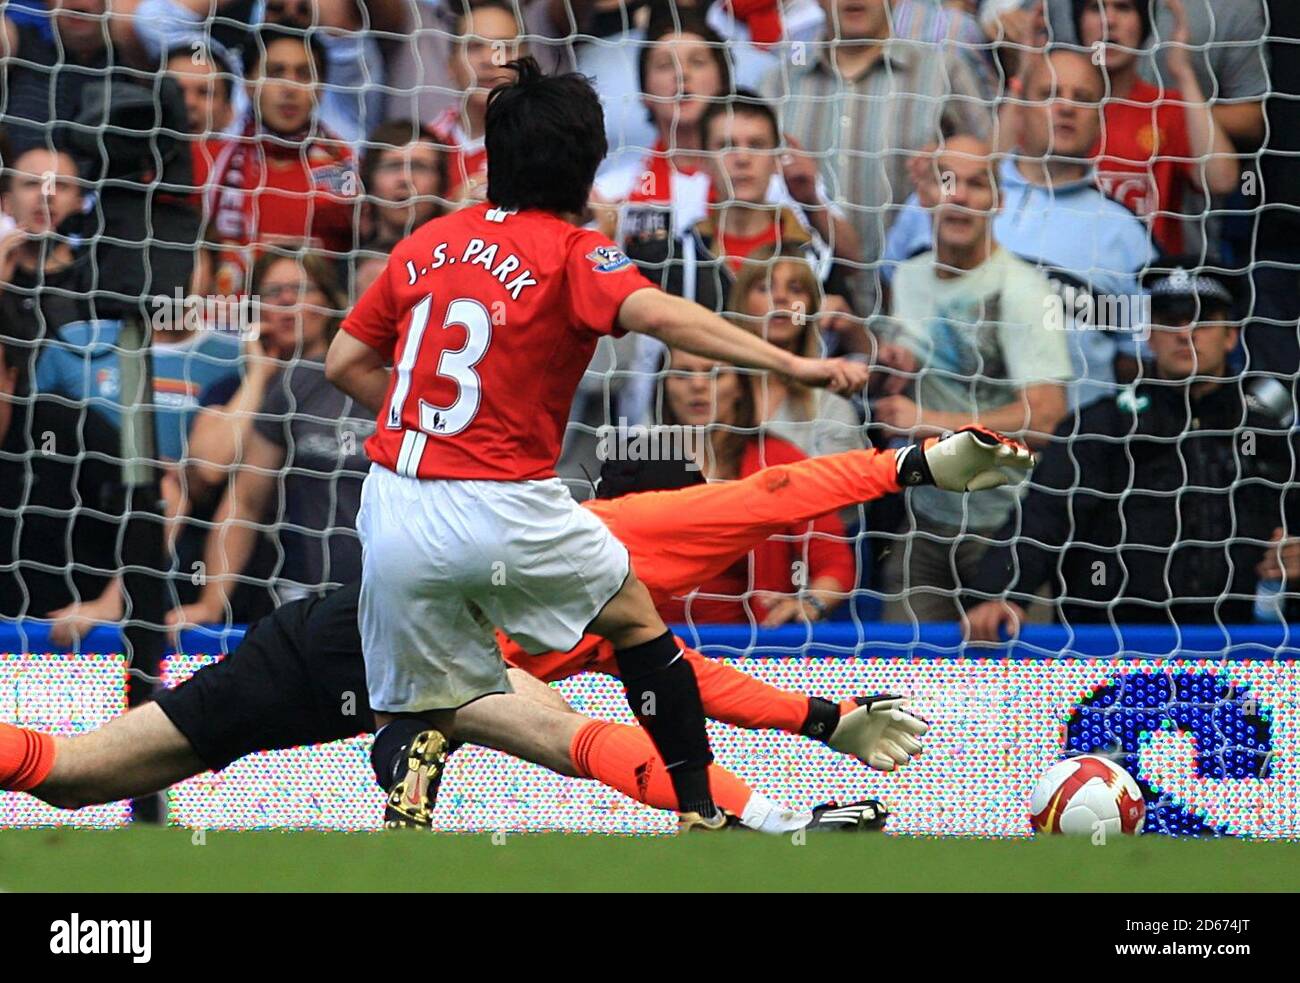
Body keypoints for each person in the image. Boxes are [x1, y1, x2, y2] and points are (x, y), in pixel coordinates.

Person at [324, 57, 870, 830]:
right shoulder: (577, 252)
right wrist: (792, 361)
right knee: (636, 622)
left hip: (393, 506)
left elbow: (342, 362)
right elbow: (664, 316)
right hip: (500, 503)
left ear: (495, 158)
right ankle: (698, 804)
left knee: (408, 699)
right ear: (585, 167)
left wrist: (423, 424)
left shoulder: (427, 243)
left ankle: (409, 774)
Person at [1, 429, 1032, 827]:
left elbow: (699, 683)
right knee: (563, 734)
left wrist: (822, 713)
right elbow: (775, 489)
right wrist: (910, 466)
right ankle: (418, 741)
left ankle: (415, 744)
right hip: (385, 648)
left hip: (329, 645)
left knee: (69, 771)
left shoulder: (606, 619)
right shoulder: (634, 532)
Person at [965, 258, 1300, 638]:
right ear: (1148, 334)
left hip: (1238, 654)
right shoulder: (1101, 426)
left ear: (1231, 336)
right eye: (1170, 320)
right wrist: (999, 593)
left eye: (1203, 320)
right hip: (1110, 655)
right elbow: (1041, 520)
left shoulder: (1271, 433)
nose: (1185, 333)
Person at [884, 47, 1156, 408]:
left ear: (1100, 117)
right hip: (929, 442)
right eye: (1049, 94)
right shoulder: (943, 195)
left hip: (1066, 447)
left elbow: (1135, 359)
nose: (1066, 107)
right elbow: (889, 299)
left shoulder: (1122, 233)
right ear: (1020, 105)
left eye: (1083, 98)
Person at [873, 135, 1071, 623]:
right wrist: (883, 365)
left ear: (997, 201)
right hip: (924, 520)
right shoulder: (908, 277)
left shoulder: (1025, 289)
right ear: (923, 194)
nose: (959, 195)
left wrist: (929, 423)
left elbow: (1045, 418)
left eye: (976, 184)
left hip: (1006, 527)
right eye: (946, 181)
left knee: (1018, 690)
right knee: (905, 685)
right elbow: (901, 383)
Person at [168, 252, 368, 627]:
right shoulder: (233, 387)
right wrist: (259, 377)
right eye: (273, 292)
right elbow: (212, 470)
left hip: (371, 584)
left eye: (300, 289)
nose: (287, 301)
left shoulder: (366, 383)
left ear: (329, 302)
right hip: (281, 597)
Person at [760, 0, 995, 315]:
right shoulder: (778, 82)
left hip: (916, 312)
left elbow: (991, 173)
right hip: (801, 313)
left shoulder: (942, 73)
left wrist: (945, 175)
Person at [656, 348, 856, 625]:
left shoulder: (778, 460)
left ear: (740, 386)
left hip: (751, 647)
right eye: (682, 373)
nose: (698, 385)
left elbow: (834, 560)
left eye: (715, 373)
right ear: (664, 386)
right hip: (652, 646)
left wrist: (810, 604)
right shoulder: (638, 459)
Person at [192, 24, 358, 293]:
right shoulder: (208, 162)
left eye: (304, 75)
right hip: (223, 323)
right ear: (247, 84)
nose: (289, 87)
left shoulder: (346, 169)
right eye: (275, 72)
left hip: (315, 325)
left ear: (320, 88)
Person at [1076, 0, 1239, 254]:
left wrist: (1183, 73)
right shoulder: (1059, 108)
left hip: (1151, 281)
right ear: (1078, 25)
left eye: (1123, 7)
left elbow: (1221, 180)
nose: (1109, 21)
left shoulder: (1165, 108)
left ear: (1143, 25)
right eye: (1095, 8)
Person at [0, 333, 123, 620]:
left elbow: (168, 495)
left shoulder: (64, 426)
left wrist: (111, 603)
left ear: (10, 378)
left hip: (77, 647)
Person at [728, 247, 865, 458]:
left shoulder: (830, 406)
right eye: (764, 288)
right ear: (742, 303)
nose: (781, 297)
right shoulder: (715, 392)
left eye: (796, 289)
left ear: (810, 309)